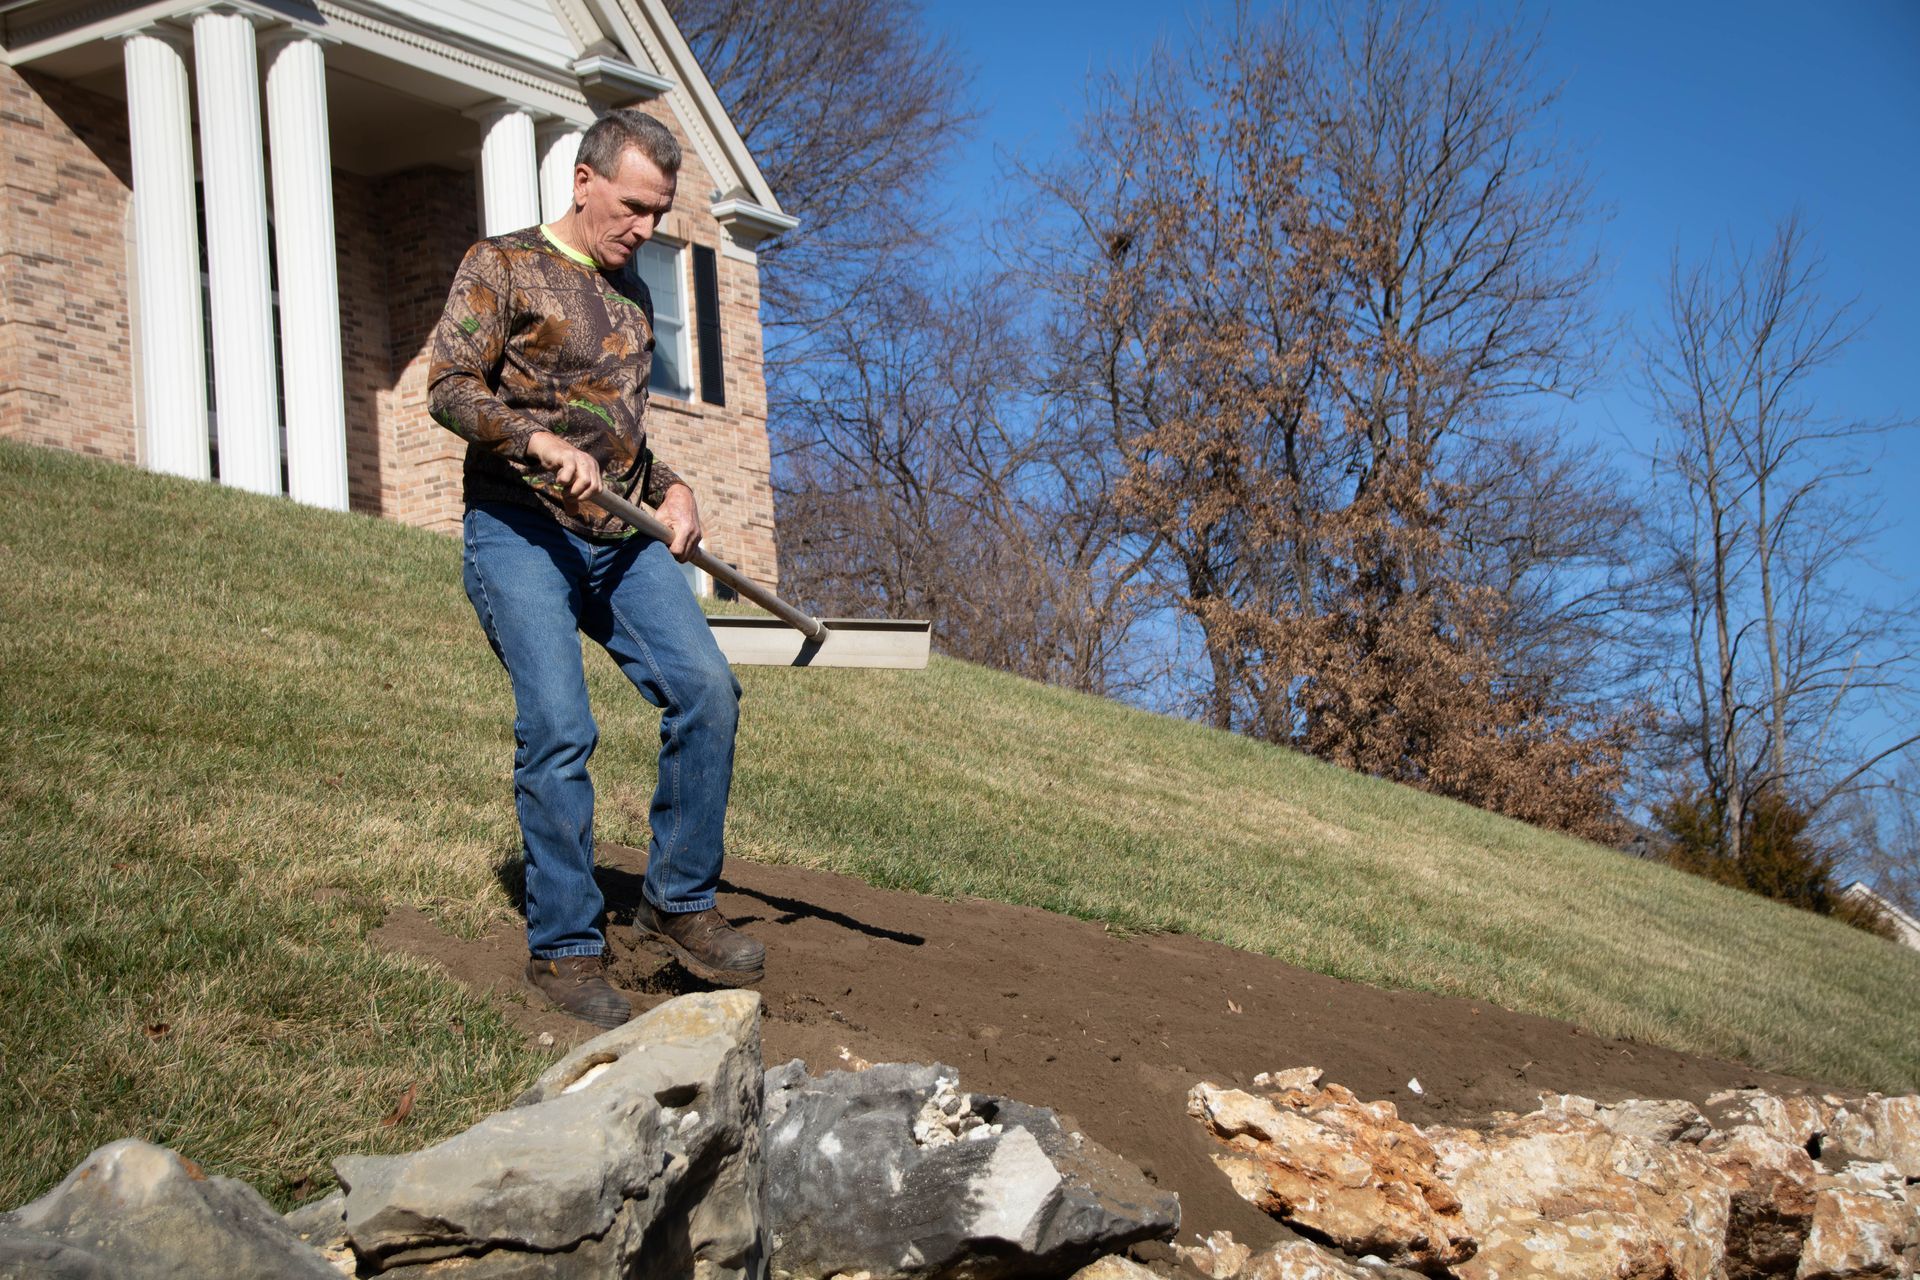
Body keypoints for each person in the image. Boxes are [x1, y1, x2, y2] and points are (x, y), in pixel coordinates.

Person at [426, 108, 765, 1028]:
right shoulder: (501, 264)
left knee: (707, 691)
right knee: (560, 725)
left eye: (658, 214)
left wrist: (680, 490)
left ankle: (679, 900)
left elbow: (626, 442)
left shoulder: (635, 298)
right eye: (632, 208)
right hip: (518, 526)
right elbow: (448, 385)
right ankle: (567, 949)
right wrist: (531, 436)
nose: (644, 231)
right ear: (583, 182)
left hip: (619, 541)